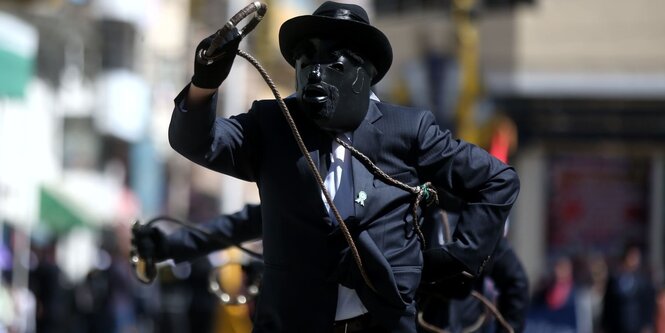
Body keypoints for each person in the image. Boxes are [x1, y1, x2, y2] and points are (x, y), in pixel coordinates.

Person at [139, 2, 520, 332]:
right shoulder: (274, 125)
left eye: (333, 62)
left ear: (365, 72)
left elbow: (497, 181)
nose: (315, 73)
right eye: (306, 60)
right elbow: (197, 146)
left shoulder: (407, 130)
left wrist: (457, 260)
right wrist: (205, 82)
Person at [601, 243, 656, 333]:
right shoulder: (614, 280)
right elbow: (608, 305)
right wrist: (604, 326)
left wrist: (647, 325)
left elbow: (648, 306)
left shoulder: (643, 282)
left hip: (636, 328)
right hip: (617, 328)